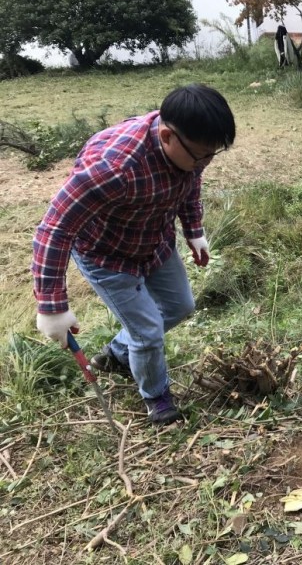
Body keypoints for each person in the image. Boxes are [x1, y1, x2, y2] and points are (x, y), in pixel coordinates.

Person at [32, 83, 236, 425]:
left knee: (180, 306)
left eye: (212, 154)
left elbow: (190, 184)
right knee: (148, 331)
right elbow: (55, 228)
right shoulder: (114, 169)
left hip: (153, 240)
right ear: (167, 136)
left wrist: (194, 229)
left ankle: (116, 353)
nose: (205, 163)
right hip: (107, 256)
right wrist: (52, 306)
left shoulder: (191, 149)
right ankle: (157, 398)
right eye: (202, 155)